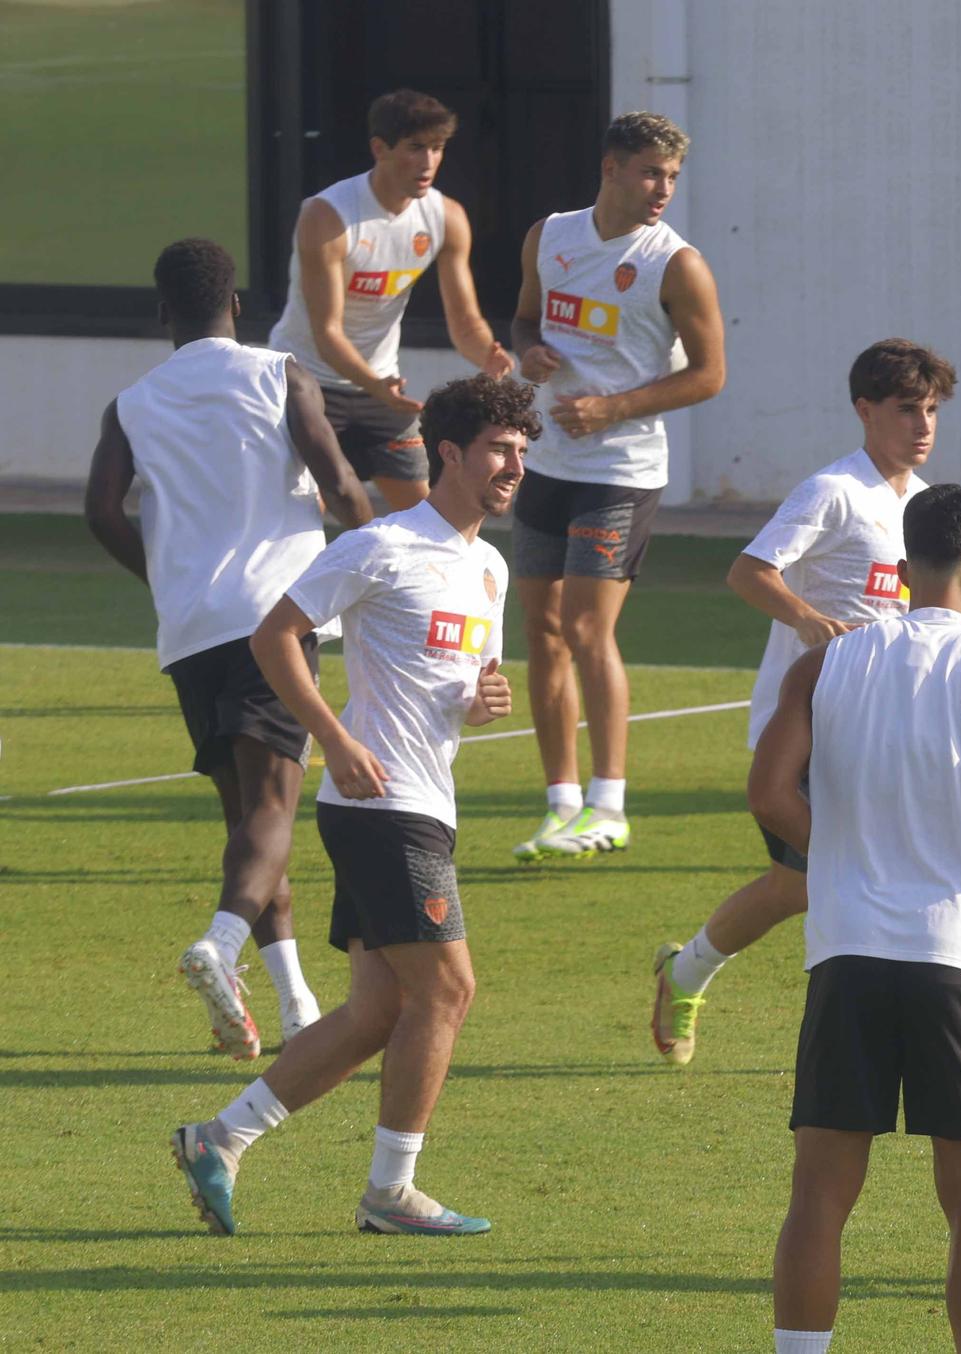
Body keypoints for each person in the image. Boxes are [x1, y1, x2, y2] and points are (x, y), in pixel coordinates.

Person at [169, 375, 535, 1237]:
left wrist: (477, 701)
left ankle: (218, 1140)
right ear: (448, 453)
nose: (514, 466)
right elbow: (274, 635)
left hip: (425, 800)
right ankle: (389, 1193)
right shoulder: (382, 546)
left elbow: (449, 687)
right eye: (498, 449)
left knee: (381, 1010)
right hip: (380, 806)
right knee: (449, 990)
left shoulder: (489, 567)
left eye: (523, 451)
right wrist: (333, 737)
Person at [752, 485, 961, 1354]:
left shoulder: (825, 665)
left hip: (847, 951)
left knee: (819, 1190)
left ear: (898, 568)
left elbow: (770, 794)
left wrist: (846, 857)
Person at [85, 238, 374, 1059]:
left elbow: (102, 512)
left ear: (162, 312)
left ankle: (290, 1007)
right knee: (274, 810)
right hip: (272, 621)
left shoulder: (132, 402)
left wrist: (166, 577)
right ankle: (218, 943)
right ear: (237, 304)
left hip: (190, 632)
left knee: (246, 818)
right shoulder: (277, 374)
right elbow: (338, 478)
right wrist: (387, 555)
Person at [650, 339, 955, 1064]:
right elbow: (749, 571)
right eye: (908, 409)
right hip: (809, 729)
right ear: (864, 410)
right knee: (835, 882)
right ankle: (863, 1037)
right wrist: (803, 616)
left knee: (805, 886)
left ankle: (685, 969)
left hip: (888, 731)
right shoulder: (834, 492)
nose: (923, 425)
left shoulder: (924, 505)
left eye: (933, 410)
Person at [507, 111, 727, 862]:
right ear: (610, 169)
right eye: (648, 173)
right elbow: (525, 320)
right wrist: (529, 351)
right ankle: (559, 804)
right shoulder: (550, 236)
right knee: (539, 633)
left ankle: (611, 803)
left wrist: (613, 408)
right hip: (545, 464)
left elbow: (709, 374)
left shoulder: (677, 264)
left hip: (620, 472)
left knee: (586, 630)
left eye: (670, 176)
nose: (662, 188)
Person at [266, 88, 514, 512]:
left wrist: (487, 357)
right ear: (379, 149)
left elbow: (465, 321)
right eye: (416, 148)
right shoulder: (327, 216)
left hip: (381, 388)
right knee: (304, 517)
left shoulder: (446, 216)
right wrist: (378, 387)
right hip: (306, 382)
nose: (429, 162)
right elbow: (327, 332)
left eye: (437, 148)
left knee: (427, 521)